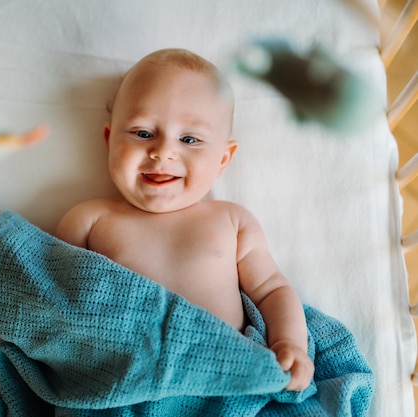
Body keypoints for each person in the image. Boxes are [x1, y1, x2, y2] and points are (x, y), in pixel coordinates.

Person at [56, 48, 314, 391]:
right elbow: (52, 295)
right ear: (109, 140)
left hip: (218, 382)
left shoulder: (232, 222)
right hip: (123, 385)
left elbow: (271, 290)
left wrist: (290, 344)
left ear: (223, 159)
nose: (163, 151)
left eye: (189, 139)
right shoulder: (89, 219)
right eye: (142, 133)